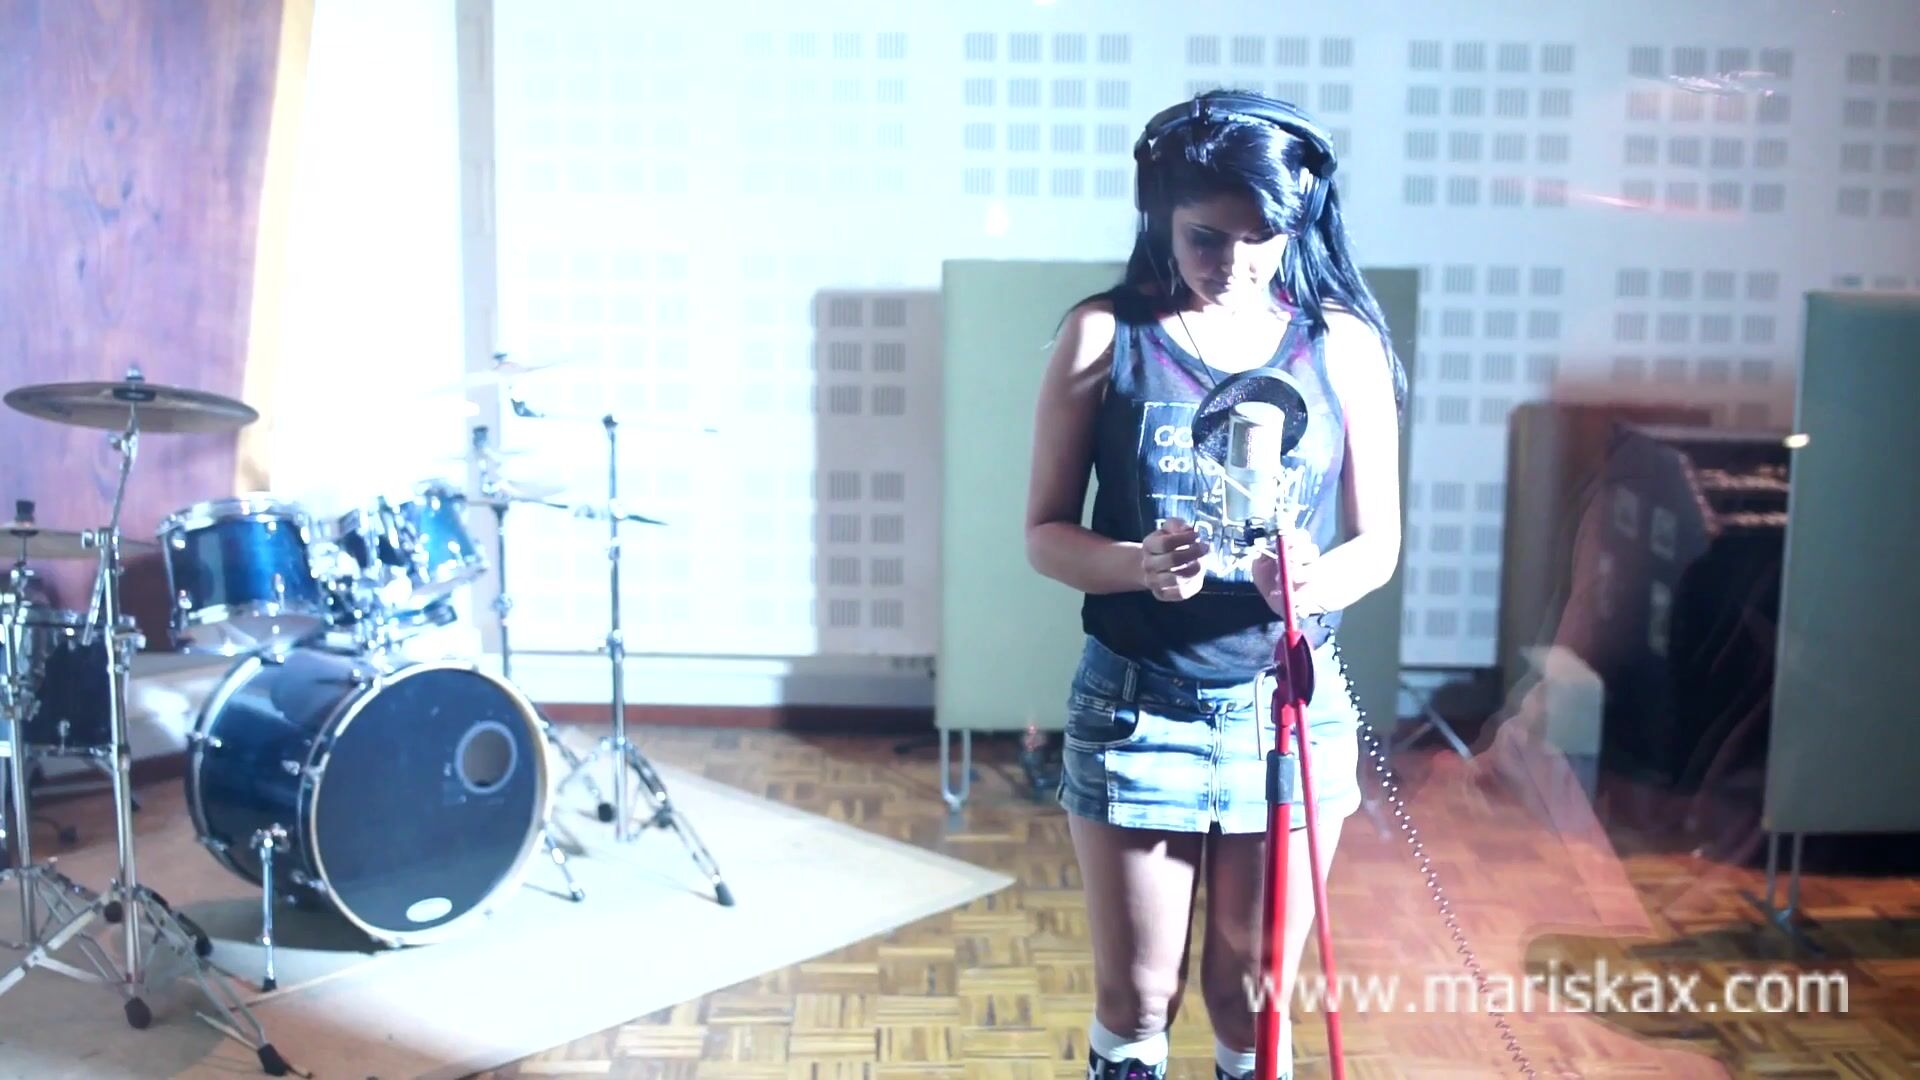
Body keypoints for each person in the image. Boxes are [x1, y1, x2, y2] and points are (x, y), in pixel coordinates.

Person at [1023, 90, 1405, 1080]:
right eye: (1206, 236)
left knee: (1252, 1002)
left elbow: (1378, 545)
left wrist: (1311, 580)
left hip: (1287, 708)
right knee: (1137, 998)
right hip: (1137, 705)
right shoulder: (1104, 335)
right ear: (1158, 213)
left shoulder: (1341, 343)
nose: (1234, 263)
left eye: (1261, 237)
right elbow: (1045, 535)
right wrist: (1137, 564)